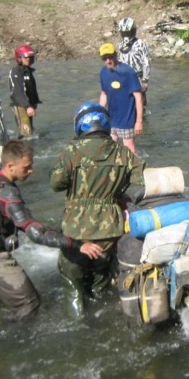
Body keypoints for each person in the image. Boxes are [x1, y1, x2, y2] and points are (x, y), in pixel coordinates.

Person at [0, 139, 103, 321]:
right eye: (26, 167)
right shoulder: (7, 194)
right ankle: (11, 342)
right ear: (10, 166)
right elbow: (35, 234)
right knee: (29, 303)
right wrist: (76, 244)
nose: (31, 171)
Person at [50, 102, 147, 316]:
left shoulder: (71, 151)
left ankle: (76, 328)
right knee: (99, 284)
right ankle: (101, 319)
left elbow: (55, 184)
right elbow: (144, 178)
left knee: (73, 286)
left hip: (75, 232)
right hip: (109, 230)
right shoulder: (123, 153)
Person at [98, 42, 144, 154]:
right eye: (105, 58)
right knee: (110, 147)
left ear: (116, 55)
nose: (108, 61)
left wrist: (139, 122)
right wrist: (98, 113)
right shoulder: (103, 72)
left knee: (128, 147)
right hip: (111, 118)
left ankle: (133, 170)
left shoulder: (128, 72)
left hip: (127, 119)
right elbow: (104, 93)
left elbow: (139, 97)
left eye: (110, 57)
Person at [8, 44, 42, 138]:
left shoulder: (28, 71)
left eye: (30, 57)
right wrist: (27, 106)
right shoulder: (16, 71)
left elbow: (32, 88)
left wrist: (35, 102)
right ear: (19, 58)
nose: (28, 59)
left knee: (30, 131)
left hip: (28, 104)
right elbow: (18, 92)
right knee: (26, 133)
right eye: (25, 57)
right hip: (20, 105)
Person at [117, 17, 151, 108]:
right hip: (124, 79)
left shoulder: (140, 44)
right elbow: (118, 62)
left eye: (128, 33)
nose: (126, 36)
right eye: (124, 33)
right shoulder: (120, 45)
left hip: (137, 78)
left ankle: (143, 120)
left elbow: (146, 62)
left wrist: (145, 80)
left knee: (140, 105)